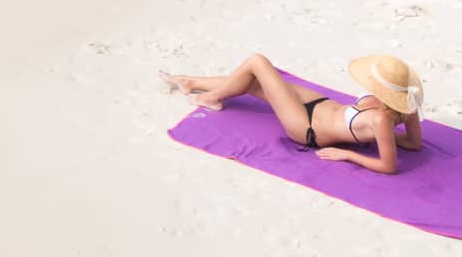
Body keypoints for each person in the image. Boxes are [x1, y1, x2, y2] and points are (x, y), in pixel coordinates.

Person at [163, 53, 424, 174]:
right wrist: (380, 138)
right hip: (320, 105)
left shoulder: (382, 118)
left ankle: (210, 97)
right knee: (256, 83)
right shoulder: (404, 106)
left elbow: (389, 166)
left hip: (307, 128)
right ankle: (190, 82)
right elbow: (413, 142)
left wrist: (348, 153)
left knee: (258, 63)